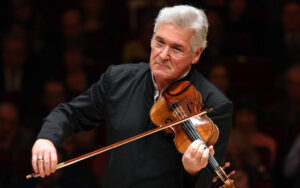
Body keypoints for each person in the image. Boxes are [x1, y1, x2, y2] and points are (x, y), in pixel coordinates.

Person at [31, 5, 233, 188]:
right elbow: (70, 113)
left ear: (196, 54)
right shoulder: (118, 79)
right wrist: (46, 138)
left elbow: (210, 183)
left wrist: (192, 171)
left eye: (176, 49)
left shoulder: (214, 105)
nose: (163, 55)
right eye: (159, 42)